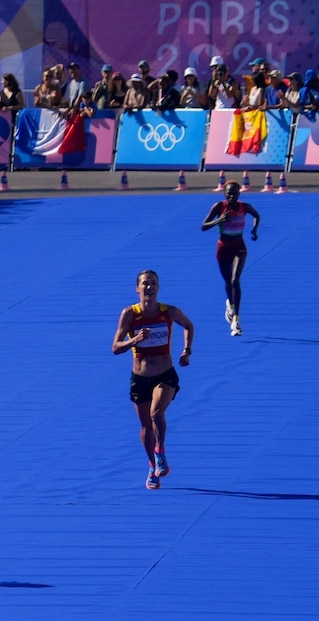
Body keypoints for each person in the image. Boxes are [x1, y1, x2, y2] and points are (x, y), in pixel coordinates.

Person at [111, 270, 193, 490]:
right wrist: (136, 340)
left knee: (157, 413)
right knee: (146, 425)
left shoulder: (169, 312)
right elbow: (115, 348)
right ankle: (151, 465)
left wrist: (187, 350)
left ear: (158, 287)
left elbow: (188, 325)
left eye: (154, 283)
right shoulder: (130, 314)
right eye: (145, 284)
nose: (150, 287)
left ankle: (160, 451)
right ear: (137, 288)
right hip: (140, 378)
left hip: (165, 375)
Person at [199, 181, 260, 336]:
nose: (231, 196)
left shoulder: (244, 207)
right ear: (224, 194)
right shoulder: (219, 207)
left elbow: (257, 215)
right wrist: (219, 220)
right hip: (223, 248)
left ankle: (236, 321)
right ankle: (230, 305)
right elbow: (203, 226)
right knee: (228, 283)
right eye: (229, 193)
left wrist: (254, 230)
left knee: (235, 281)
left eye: (234, 193)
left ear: (239, 193)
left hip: (239, 247)